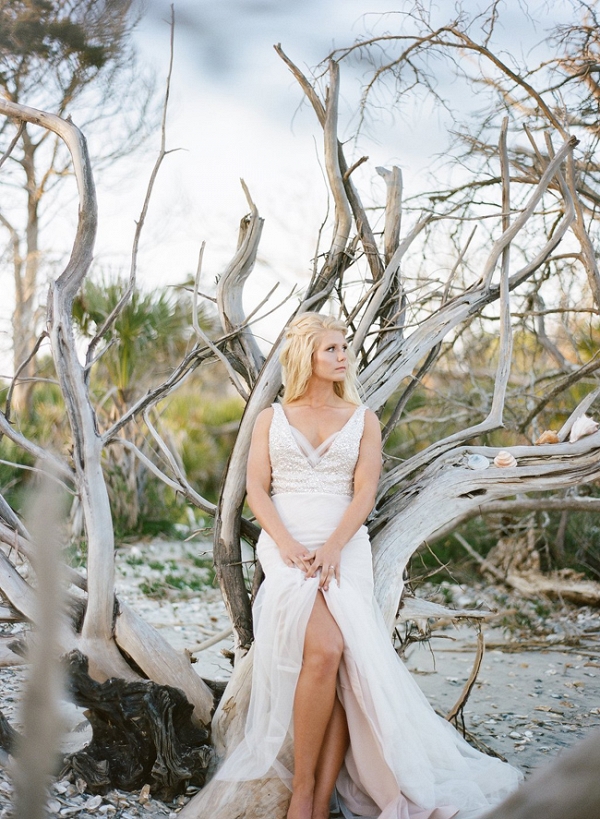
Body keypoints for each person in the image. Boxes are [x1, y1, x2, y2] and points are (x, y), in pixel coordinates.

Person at [215, 312, 522, 819]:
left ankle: (313, 797)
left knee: (341, 663)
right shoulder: (271, 417)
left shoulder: (363, 419)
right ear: (305, 358)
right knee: (327, 648)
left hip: (344, 545)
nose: (343, 357)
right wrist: (287, 544)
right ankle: (304, 792)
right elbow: (256, 490)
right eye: (332, 349)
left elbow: (364, 492)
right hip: (287, 543)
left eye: (343, 348)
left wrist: (335, 546)